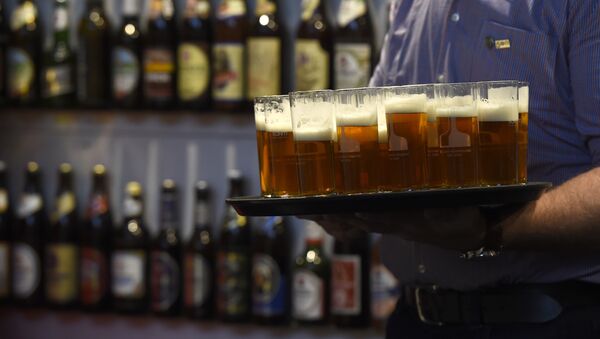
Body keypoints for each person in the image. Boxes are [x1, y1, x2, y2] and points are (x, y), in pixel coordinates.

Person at [309, 1, 600, 338]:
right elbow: (380, 147)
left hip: (547, 320)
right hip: (413, 320)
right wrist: (346, 205)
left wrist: (489, 233)